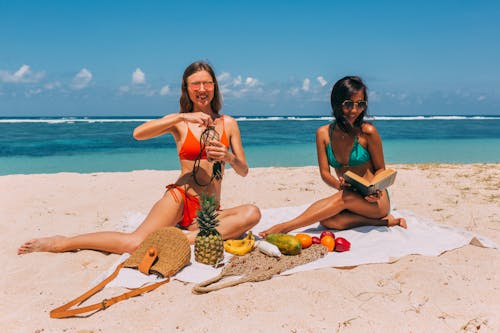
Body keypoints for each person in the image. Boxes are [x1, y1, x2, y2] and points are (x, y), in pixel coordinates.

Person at [18, 61, 261, 255]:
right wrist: (180, 118)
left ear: (214, 87)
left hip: (208, 209)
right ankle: (63, 243)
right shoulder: (178, 121)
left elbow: (243, 170)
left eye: (207, 83)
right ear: (186, 89)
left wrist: (228, 156)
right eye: (195, 84)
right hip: (181, 198)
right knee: (134, 243)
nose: (201, 89)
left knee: (252, 214)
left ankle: (181, 238)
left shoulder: (228, 123)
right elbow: (138, 134)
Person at [259, 76, 406, 237]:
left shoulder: (368, 132)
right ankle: (385, 222)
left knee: (343, 199)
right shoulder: (323, 134)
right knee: (327, 222)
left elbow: (380, 169)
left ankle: (286, 227)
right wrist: (339, 185)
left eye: (360, 104)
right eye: (348, 104)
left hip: (375, 201)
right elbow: (325, 173)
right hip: (346, 194)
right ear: (337, 103)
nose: (355, 110)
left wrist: (376, 190)